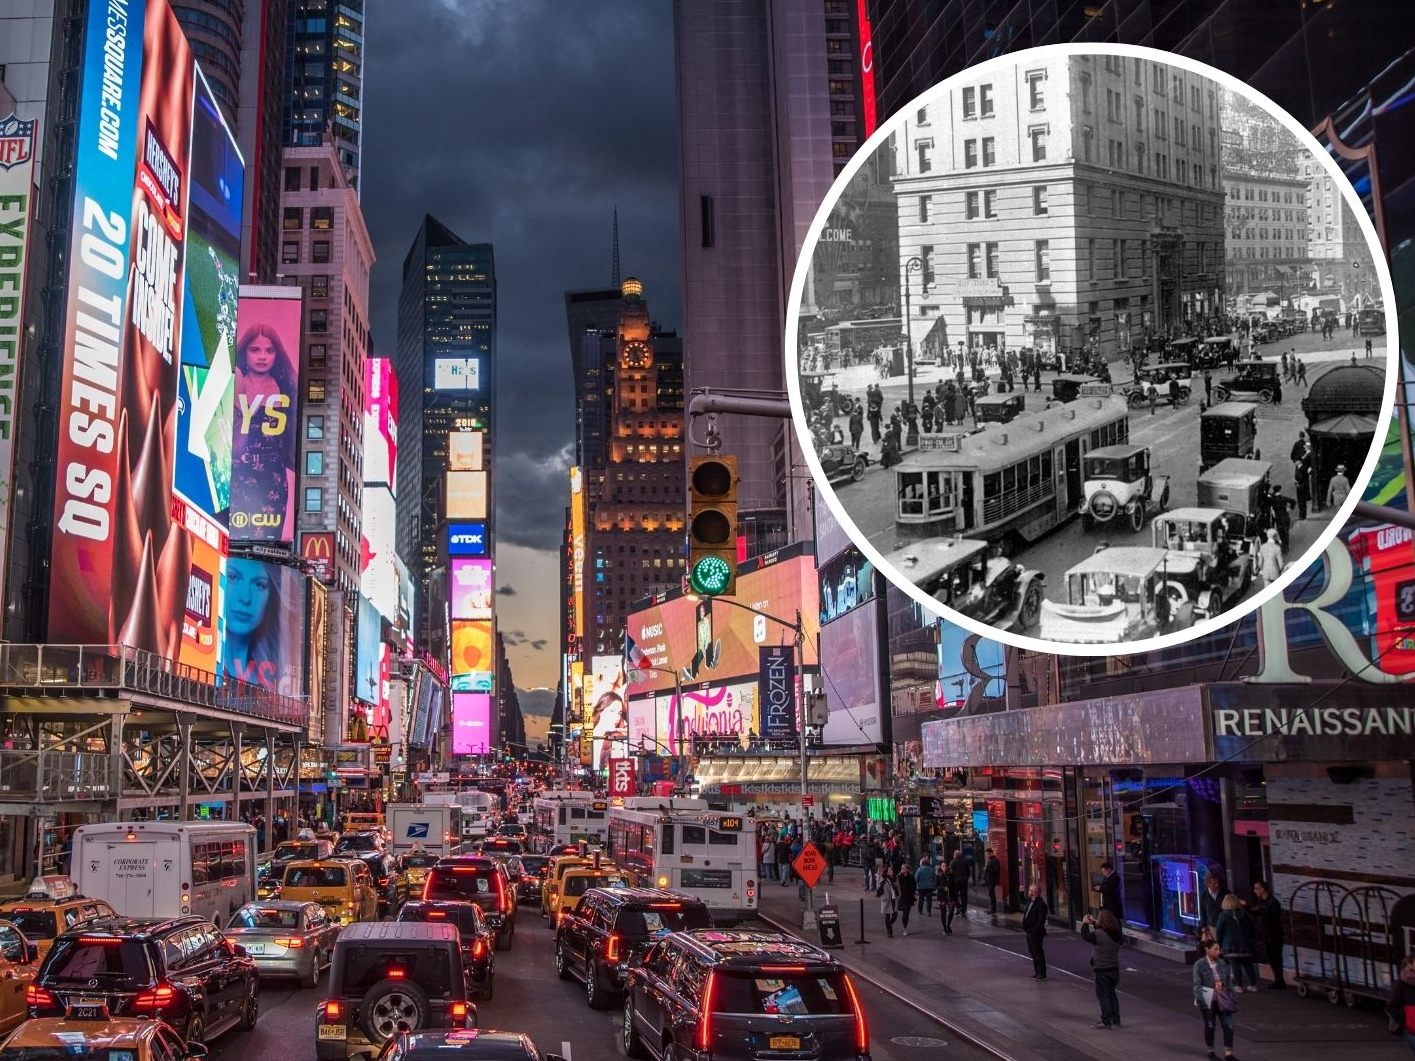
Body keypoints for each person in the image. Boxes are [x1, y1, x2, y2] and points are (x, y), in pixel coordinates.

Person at [232, 323, 298, 537]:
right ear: (245, 352)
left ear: (277, 355)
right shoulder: (234, 382)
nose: (262, 356)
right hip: (235, 476)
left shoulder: (288, 389)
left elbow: (293, 443)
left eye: (269, 350)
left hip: (272, 482)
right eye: (255, 350)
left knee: (268, 548)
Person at [1192, 938, 1238, 1060]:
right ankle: (1211, 1051)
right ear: (1207, 950)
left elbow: (1228, 982)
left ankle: (1229, 1053)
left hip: (1222, 997)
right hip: (1207, 997)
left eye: (1219, 949)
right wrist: (1200, 999)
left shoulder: (1222, 963)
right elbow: (1197, 984)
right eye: (1215, 949)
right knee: (1210, 1025)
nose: (1219, 951)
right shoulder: (1199, 964)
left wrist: (1232, 996)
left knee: (1228, 1025)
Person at [1081, 910, 1124, 1028]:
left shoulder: (1098, 935)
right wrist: (1094, 923)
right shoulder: (1117, 934)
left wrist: (1085, 923)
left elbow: (1086, 936)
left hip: (1102, 969)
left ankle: (1106, 1021)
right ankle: (1116, 1019)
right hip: (1114, 969)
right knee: (1111, 993)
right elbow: (1105, 932)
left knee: (1103, 996)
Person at [1214, 894, 1258, 991]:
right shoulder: (1245, 914)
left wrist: (1218, 944)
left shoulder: (1223, 915)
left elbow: (1219, 931)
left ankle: (1238, 985)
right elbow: (1252, 928)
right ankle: (1253, 984)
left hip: (1230, 944)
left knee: (1235, 964)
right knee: (1248, 964)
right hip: (1245, 943)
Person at [1250, 880, 1287, 989]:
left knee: (1276, 956)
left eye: (1257, 888)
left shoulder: (1272, 902)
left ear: (1263, 889)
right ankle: (1278, 979)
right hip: (1265, 933)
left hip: (1274, 934)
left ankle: (1280, 980)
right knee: (1271, 957)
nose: (1254, 891)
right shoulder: (1261, 901)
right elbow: (1256, 912)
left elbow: (1268, 915)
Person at [1385, 953, 1415, 1055]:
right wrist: (1404, 1019)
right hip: (1411, 1029)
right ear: (1407, 965)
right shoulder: (1399, 985)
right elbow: (1391, 1006)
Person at [1022, 883, 1049, 979]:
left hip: (1036, 932)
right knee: (1032, 951)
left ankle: (1041, 972)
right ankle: (1036, 971)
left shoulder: (1041, 904)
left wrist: (1034, 930)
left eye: (1030, 890)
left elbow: (1041, 920)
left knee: (1037, 952)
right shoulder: (1030, 901)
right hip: (1029, 930)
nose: (1029, 892)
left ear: (1035, 892)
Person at [877, 865, 900, 938]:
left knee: (895, 915)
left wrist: (899, 895)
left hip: (894, 899)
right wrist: (884, 898)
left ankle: (888, 925)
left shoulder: (895, 878)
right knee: (887, 915)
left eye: (892, 870)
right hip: (887, 899)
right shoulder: (883, 880)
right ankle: (889, 931)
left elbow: (898, 888)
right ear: (886, 872)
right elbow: (879, 889)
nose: (891, 872)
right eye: (889, 871)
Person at [897, 858, 917, 936]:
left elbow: (913, 886)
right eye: (901, 868)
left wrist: (913, 894)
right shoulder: (899, 877)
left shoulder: (911, 877)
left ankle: (904, 926)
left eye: (903, 868)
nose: (902, 869)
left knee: (906, 913)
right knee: (900, 912)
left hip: (908, 898)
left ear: (907, 870)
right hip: (901, 897)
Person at [949, 848, 972, 916]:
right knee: (964, 896)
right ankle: (963, 911)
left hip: (955, 881)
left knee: (953, 894)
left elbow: (951, 873)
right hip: (964, 881)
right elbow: (968, 871)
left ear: (955, 855)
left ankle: (959, 907)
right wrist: (966, 878)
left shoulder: (952, 862)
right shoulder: (965, 861)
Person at [983, 848, 1001, 914]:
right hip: (990, 880)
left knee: (991, 894)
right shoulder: (991, 860)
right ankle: (992, 908)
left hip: (992, 880)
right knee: (991, 894)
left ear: (991, 853)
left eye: (988, 854)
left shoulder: (995, 860)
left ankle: (993, 908)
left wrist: (987, 869)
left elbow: (996, 870)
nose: (987, 855)